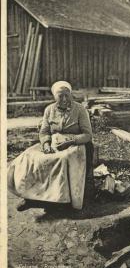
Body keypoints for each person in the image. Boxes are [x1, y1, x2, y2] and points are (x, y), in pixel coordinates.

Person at [8, 81, 93, 212]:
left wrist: (71, 141)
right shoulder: (49, 110)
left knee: (63, 159)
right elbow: (44, 132)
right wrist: (46, 144)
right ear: (55, 97)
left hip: (75, 144)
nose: (64, 99)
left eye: (67, 95)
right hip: (53, 143)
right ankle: (31, 197)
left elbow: (87, 135)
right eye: (60, 96)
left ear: (71, 95)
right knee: (29, 157)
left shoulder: (80, 109)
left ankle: (61, 201)